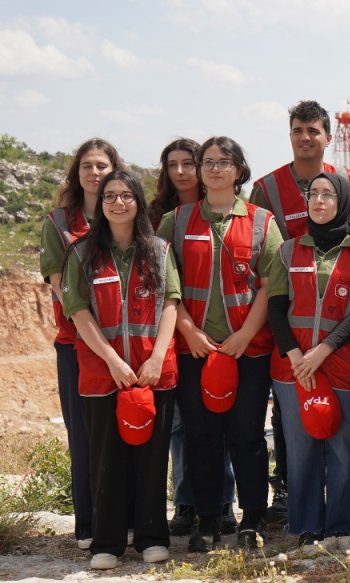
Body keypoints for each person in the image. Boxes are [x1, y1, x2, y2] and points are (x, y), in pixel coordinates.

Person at [158, 136, 281, 552]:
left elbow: (270, 286)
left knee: (246, 435)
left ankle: (252, 518)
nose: (213, 169)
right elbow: (166, 288)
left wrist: (246, 335)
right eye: (207, 162)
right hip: (194, 349)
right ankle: (208, 518)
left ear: (238, 170)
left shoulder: (263, 221)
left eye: (223, 162)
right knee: (201, 435)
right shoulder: (175, 221)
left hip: (249, 350)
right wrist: (189, 331)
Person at [250, 100, 350, 524]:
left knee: (339, 438)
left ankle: (338, 520)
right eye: (298, 130)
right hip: (292, 346)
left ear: (328, 136)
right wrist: (295, 353)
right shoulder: (267, 188)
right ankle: (295, 507)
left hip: (339, 350)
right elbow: (272, 287)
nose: (305, 137)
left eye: (314, 131)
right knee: (291, 428)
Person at [63, 170, 179, 570]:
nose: (117, 202)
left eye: (126, 195)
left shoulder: (161, 251)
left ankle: (151, 537)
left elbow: (170, 304)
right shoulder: (81, 253)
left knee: (152, 457)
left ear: (138, 202)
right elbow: (78, 312)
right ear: (101, 203)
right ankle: (107, 542)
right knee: (105, 458)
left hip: (152, 372)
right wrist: (112, 360)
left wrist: (157, 357)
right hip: (102, 374)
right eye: (110, 195)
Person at [266, 171, 350, 551]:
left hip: (345, 367)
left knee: (342, 447)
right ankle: (306, 524)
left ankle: (341, 524)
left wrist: (321, 352)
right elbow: (276, 309)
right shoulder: (287, 250)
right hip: (293, 368)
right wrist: (297, 356)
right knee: (301, 447)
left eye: (329, 195)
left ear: (343, 201)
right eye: (313, 194)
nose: (320, 201)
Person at [150, 138, 240, 538]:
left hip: (221, 341)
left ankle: (221, 503)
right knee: (184, 429)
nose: (183, 171)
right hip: (178, 337)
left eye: (191, 163)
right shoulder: (161, 216)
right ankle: (186, 502)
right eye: (174, 164)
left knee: (219, 427)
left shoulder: (226, 209)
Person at [40, 138, 124, 550]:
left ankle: (123, 520)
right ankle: (89, 524)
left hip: (127, 345)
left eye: (102, 165)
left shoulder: (123, 219)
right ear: (76, 173)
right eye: (88, 166)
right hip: (76, 345)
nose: (95, 173)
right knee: (85, 435)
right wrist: (93, 334)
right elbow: (60, 287)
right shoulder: (59, 224)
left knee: (124, 430)